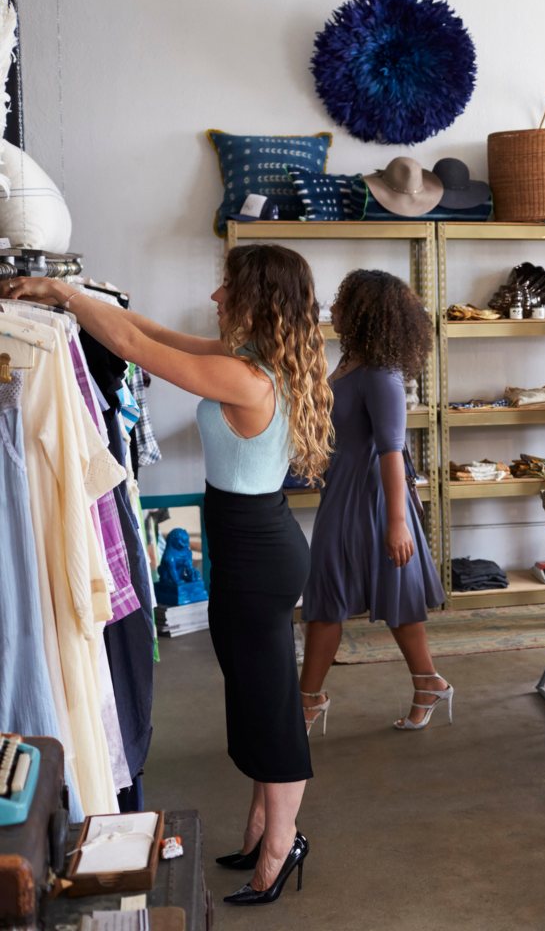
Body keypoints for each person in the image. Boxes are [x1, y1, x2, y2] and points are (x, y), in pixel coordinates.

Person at [6, 244, 332, 905]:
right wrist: (80, 302)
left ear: (257, 298)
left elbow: (130, 342)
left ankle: (282, 844)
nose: (215, 299)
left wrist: (60, 293)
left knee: (270, 707)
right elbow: (146, 332)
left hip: (257, 559)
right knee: (254, 698)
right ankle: (264, 826)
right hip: (249, 550)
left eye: (226, 288)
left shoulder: (251, 380)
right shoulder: (254, 363)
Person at [299, 270, 449, 733]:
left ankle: (306, 701)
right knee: (332, 594)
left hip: (376, 501)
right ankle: (427, 682)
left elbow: (391, 451)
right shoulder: (350, 364)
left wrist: (399, 523)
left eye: (343, 302)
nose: (334, 309)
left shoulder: (381, 375)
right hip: (343, 493)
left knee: (376, 596)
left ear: (364, 312)